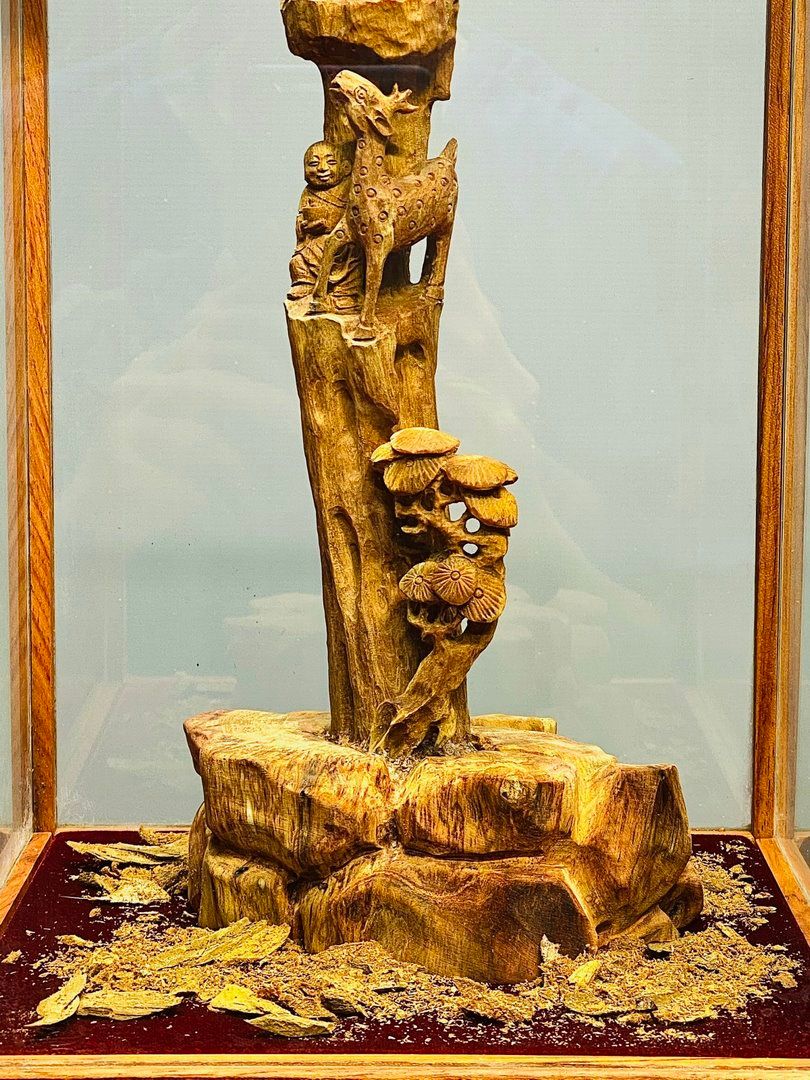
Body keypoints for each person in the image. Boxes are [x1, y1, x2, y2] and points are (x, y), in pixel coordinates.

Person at [288, 141, 361, 310]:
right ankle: (306, 283)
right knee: (298, 261)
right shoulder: (308, 192)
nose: (322, 168)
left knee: (353, 256)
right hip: (314, 243)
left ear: (345, 167)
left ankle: (345, 293)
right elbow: (300, 219)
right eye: (314, 164)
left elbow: (355, 216)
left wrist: (331, 224)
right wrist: (304, 226)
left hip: (342, 243)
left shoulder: (349, 188)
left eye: (331, 162)